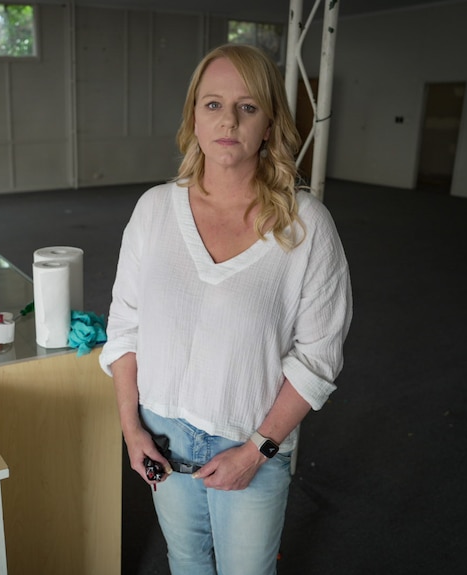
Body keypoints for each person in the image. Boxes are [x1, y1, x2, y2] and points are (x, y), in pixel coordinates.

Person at [99, 43, 353, 575]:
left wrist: (256, 451)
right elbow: (124, 327)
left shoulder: (305, 226)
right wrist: (132, 430)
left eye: (248, 106)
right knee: (186, 560)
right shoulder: (153, 211)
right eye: (213, 104)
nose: (228, 120)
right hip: (159, 433)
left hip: (251, 440)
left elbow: (320, 356)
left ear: (270, 123)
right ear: (193, 116)